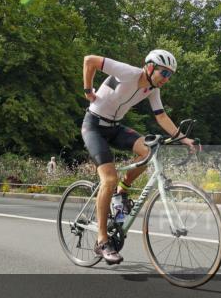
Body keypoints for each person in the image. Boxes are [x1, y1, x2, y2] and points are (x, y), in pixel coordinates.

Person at [81, 49, 196, 264]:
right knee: (109, 178)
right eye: (164, 73)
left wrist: (183, 139)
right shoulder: (128, 73)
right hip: (94, 125)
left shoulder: (152, 90)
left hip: (115, 127)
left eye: (170, 75)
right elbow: (90, 60)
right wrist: (88, 90)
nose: (166, 79)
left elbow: (161, 117)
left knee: (148, 150)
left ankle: (121, 192)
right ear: (150, 67)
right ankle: (102, 240)